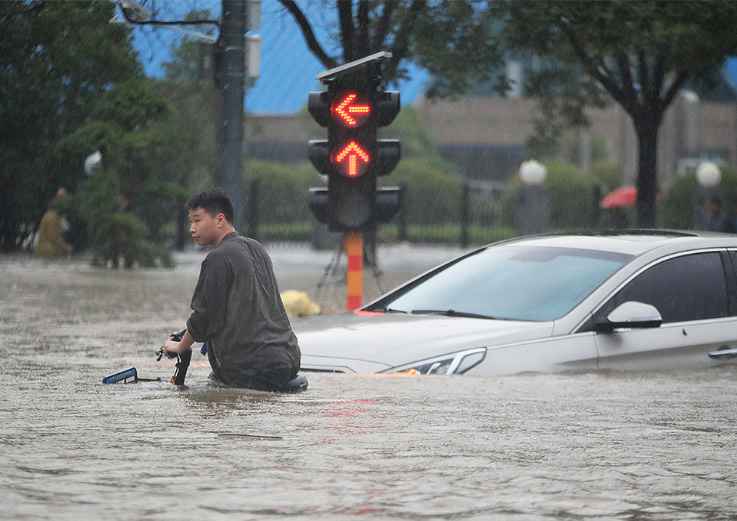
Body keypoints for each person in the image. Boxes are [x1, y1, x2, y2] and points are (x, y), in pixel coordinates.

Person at [162, 190, 301, 390]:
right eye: (191, 222)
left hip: (249, 368)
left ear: (220, 219)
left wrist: (179, 346)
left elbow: (204, 317)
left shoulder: (217, 257)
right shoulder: (257, 248)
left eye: (197, 220)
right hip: (288, 360)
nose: (191, 228)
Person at [36, 188, 72, 258]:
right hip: (49, 251)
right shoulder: (52, 217)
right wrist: (66, 247)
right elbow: (53, 237)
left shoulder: (57, 216)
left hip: (51, 251)